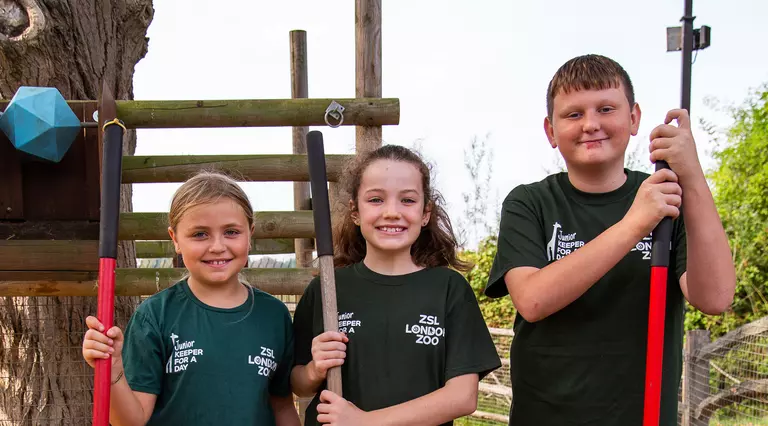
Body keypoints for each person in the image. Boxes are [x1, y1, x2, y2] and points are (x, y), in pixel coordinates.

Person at [484, 54, 736, 425]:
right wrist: (634, 224)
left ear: (633, 118)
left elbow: (715, 298)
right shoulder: (529, 203)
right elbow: (533, 300)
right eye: (573, 114)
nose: (590, 124)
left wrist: (692, 174)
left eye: (606, 108)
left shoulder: (668, 198)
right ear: (550, 131)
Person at [291, 145, 501, 426]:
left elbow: (462, 396)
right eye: (376, 200)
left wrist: (365, 422)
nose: (392, 212)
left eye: (407, 200)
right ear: (355, 211)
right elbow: (298, 384)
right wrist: (316, 369)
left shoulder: (448, 288)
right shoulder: (326, 289)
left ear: (425, 213)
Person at [82, 172, 300, 426]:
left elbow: (283, 406)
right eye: (200, 234)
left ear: (250, 234)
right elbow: (130, 421)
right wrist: (113, 371)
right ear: (175, 239)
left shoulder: (273, 315)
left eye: (231, 232)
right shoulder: (155, 316)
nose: (217, 246)